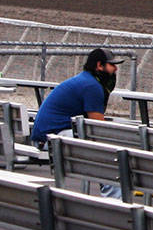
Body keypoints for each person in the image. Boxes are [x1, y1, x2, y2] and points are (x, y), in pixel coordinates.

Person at [31, 48, 124, 198]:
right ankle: (115, 206)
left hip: (49, 137)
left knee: (105, 152)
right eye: (112, 65)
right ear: (100, 65)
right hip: (52, 139)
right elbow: (98, 128)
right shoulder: (92, 86)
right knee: (110, 163)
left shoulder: (86, 80)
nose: (116, 69)